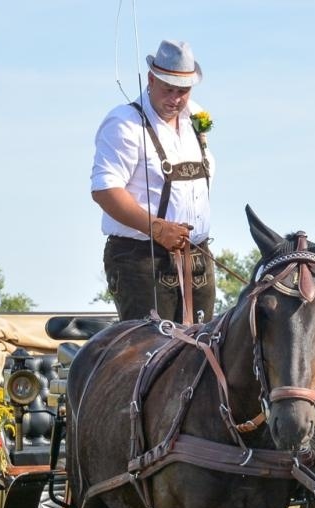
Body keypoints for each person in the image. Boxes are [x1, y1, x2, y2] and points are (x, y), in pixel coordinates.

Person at [90, 38, 216, 324]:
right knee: (151, 355)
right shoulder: (124, 123)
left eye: (182, 91)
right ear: (151, 79)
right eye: (168, 89)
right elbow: (104, 190)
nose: (175, 99)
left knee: (206, 354)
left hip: (197, 259)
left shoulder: (196, 116)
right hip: (141, 261)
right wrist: (157, 228)